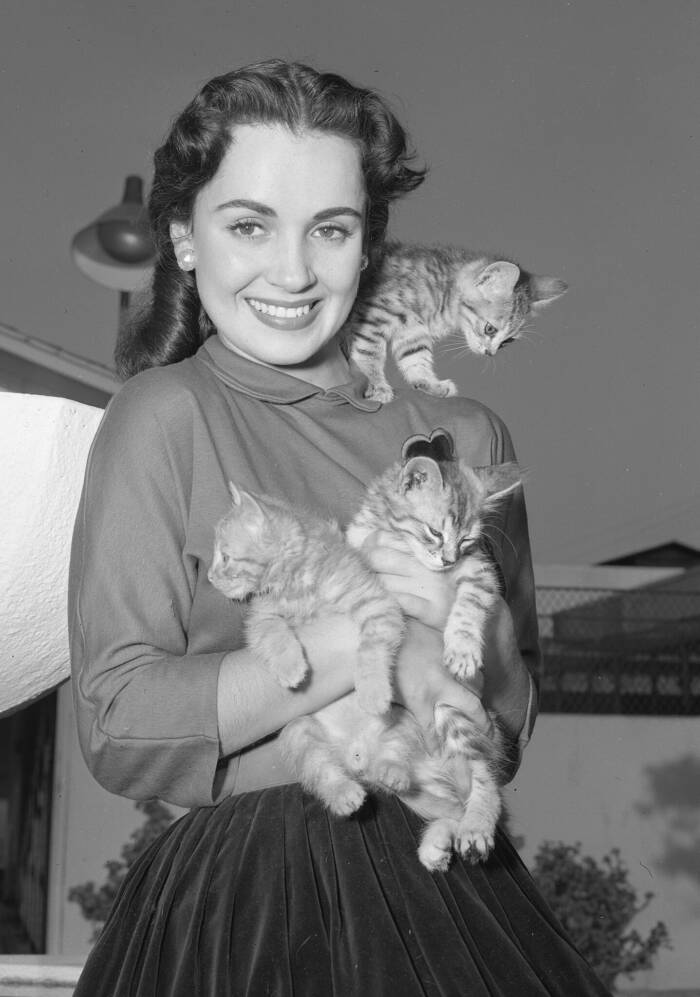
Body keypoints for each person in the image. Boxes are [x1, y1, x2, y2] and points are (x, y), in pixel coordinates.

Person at [69, 59, 610, 996]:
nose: (291, 271)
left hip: (452, 899)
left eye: (330, 229)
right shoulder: (163, 415)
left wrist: (466, 639)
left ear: (369, 246)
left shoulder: (469, 437)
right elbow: (120, 721)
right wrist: (365, 637)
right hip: (238, 916)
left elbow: (508, 721)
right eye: (248, 226)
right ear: (184, 240)